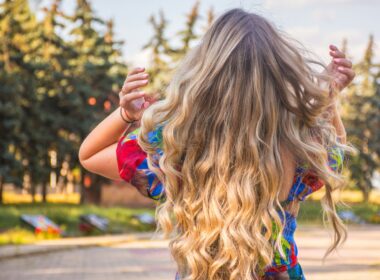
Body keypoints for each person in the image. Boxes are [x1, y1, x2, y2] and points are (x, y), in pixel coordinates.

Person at [78, 8, 356, 280]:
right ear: (280, 79)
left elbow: (90, 155)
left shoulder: (175, 146)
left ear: (203, 75)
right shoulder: (298, 146)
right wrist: (328, 98)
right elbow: (335, 155)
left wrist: (125, 114)